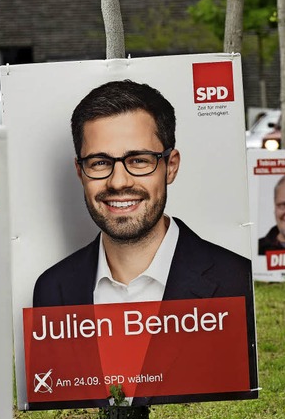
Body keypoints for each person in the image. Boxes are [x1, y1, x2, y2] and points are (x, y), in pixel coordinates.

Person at [33, 79, 253, 310]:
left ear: (171, 166)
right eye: (100, 162)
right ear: (81, 172)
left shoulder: (240, 282)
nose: (118, 182)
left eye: (138, 160)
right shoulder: (52, 289)